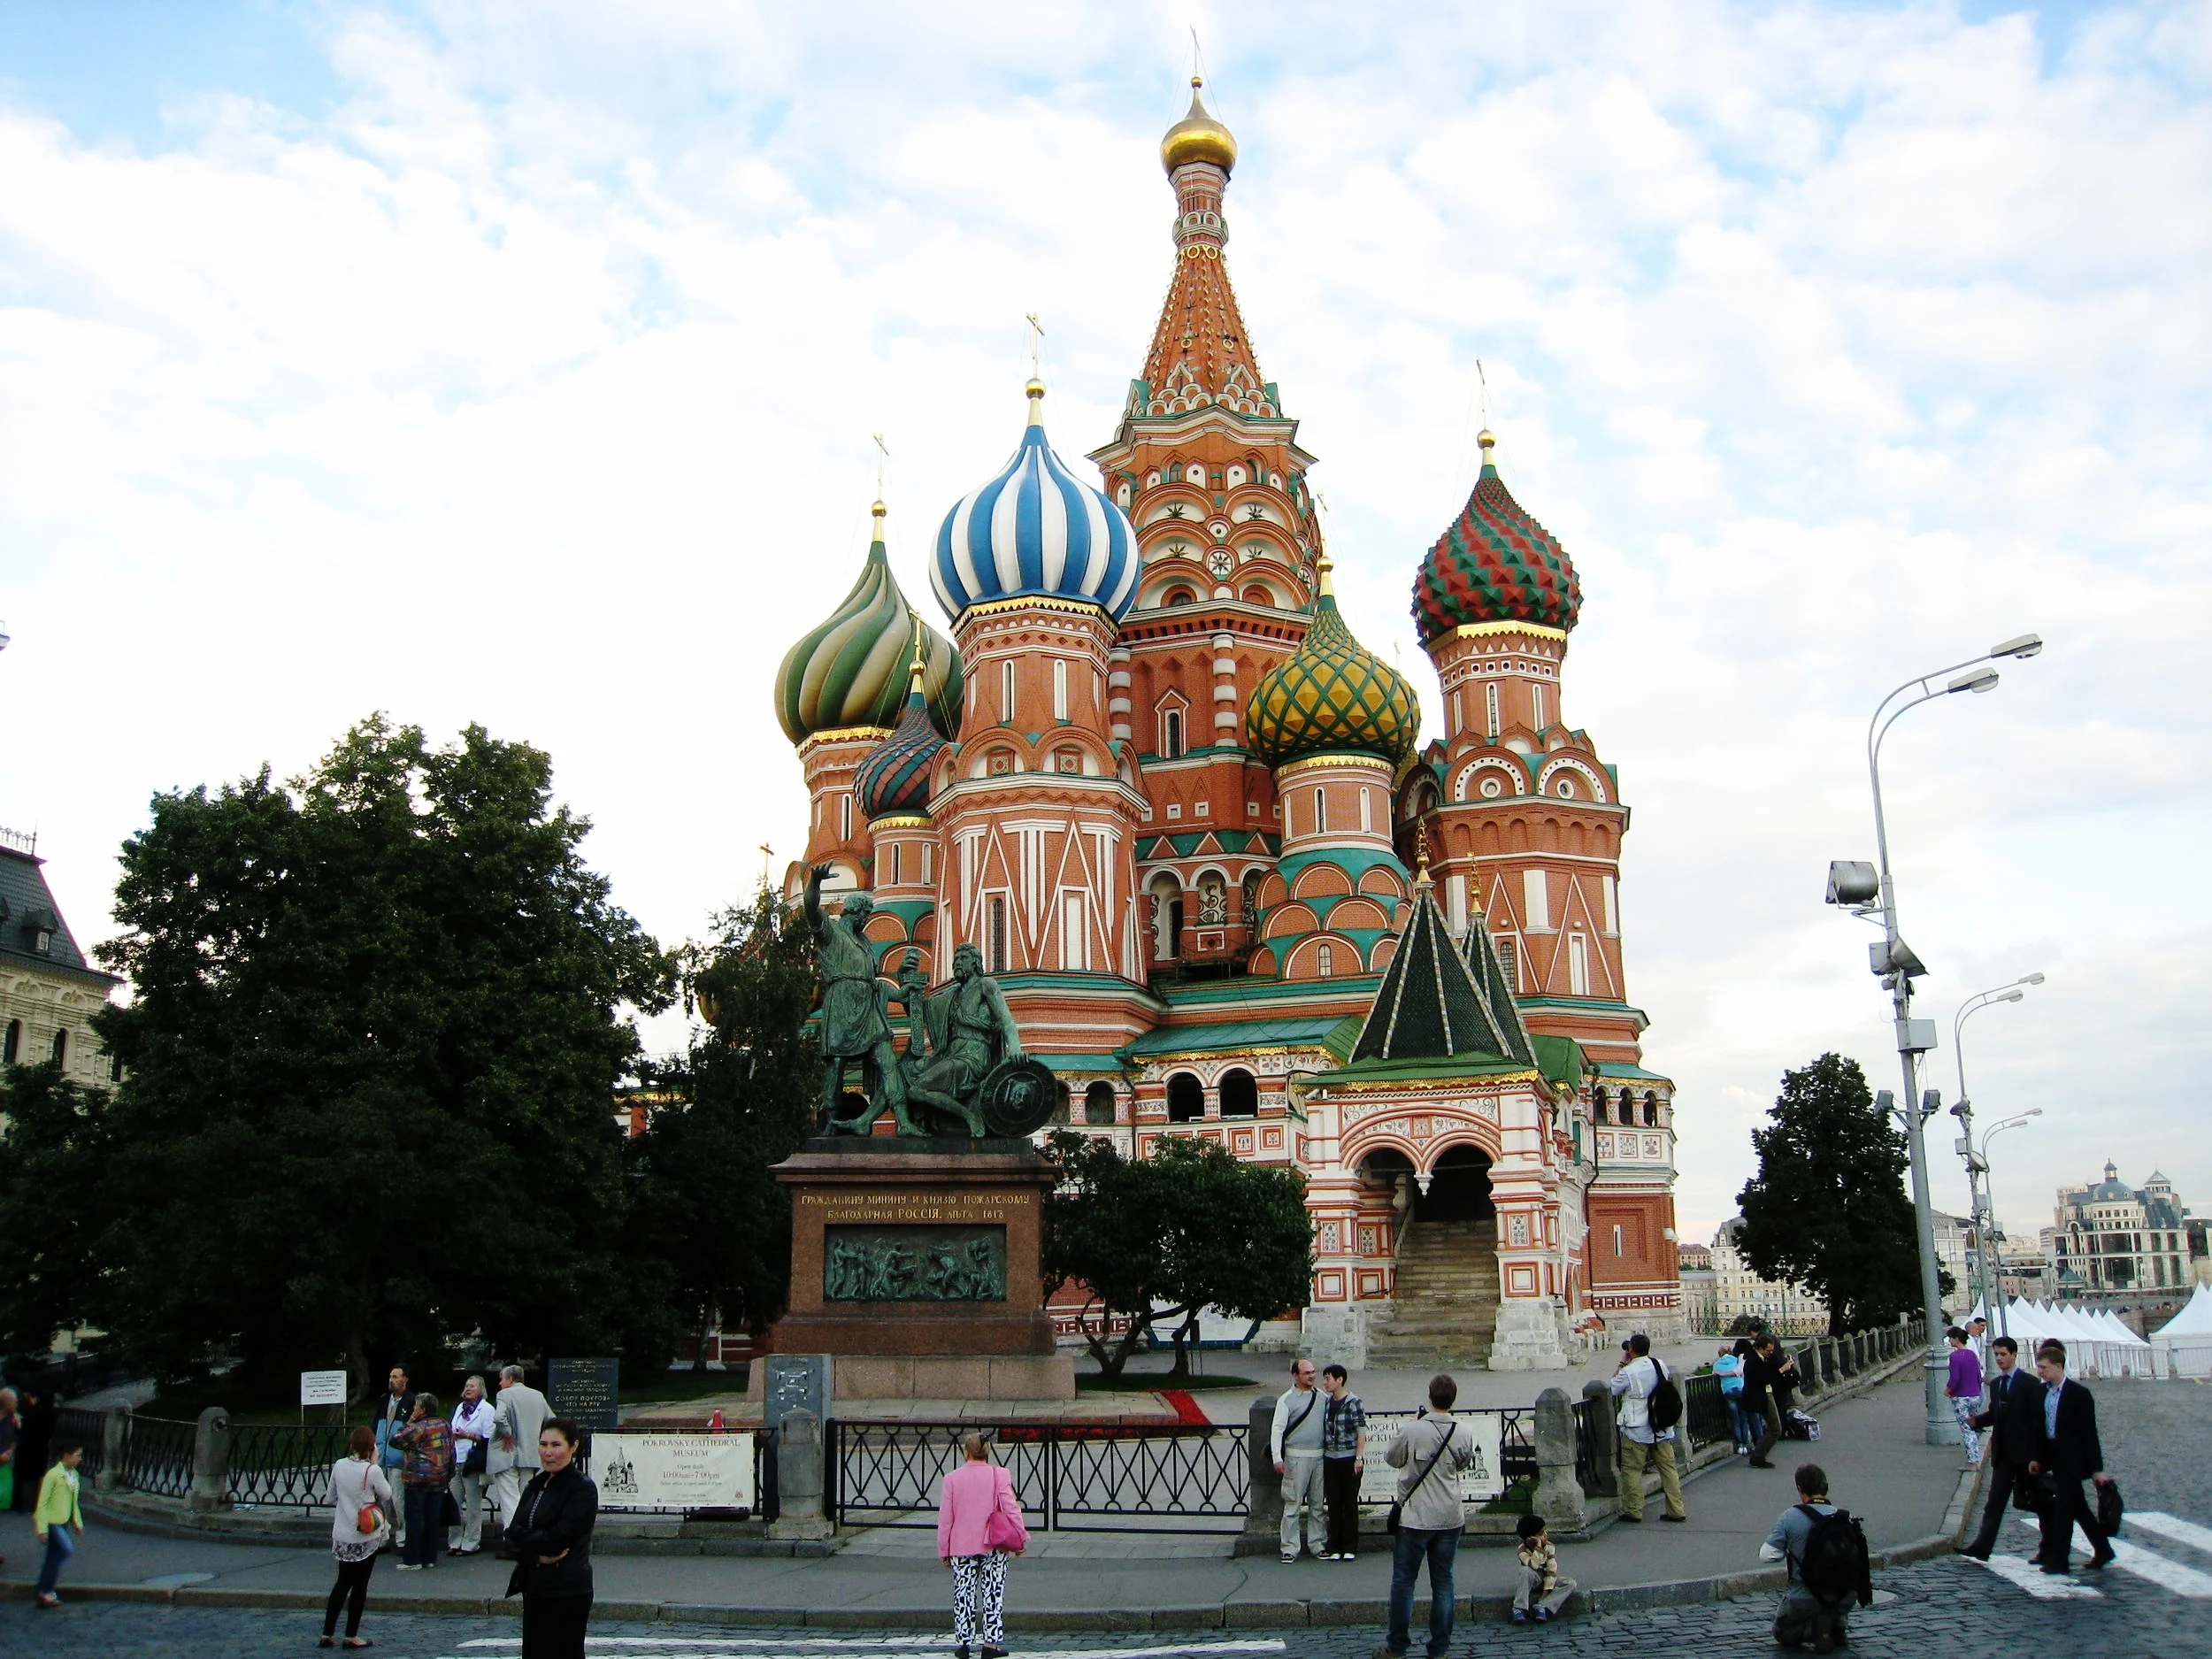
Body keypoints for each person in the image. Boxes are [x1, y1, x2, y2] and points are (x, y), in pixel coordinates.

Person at [1377, 1372, 1473, 1659]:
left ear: (1429, 1397)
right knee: (1443, 1582)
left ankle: (1396, 1647)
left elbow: (1392, 1459)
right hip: (1449, 1516)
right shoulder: (1463, 1431)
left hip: (1416, 1516)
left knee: (1404, 1582)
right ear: (1453, 1399)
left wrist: (1414, 1427)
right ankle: (1439, 1649)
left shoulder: (1413, 1429)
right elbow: (1464, 1464)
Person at [505, 1417, 598, 1659]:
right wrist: (535, 1555)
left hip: (567, 1588)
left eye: (556, 1445)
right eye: (543, 1444)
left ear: (573, 1446)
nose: (548, 1452)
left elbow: (559, 1539)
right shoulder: (535, 1485)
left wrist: (527, 1539)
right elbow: (511, 1535)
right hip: (535, 1585)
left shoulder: (582, 1488)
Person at [2025, 1340, 2114, 1573]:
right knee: (2079, 1509)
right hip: (2052, 1455)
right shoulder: (2041, 1392)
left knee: (2064, 1510)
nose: (2040, 1372)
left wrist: (2097, 1469)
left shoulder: (2079, 1395)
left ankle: (2059, 1560)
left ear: (2058, 1366)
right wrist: (2037, 1458)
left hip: (2072, 1459)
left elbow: (2089, 1433)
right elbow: (2039, 1428)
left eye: (2044, 1367)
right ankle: (2103, 1549)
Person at [1761, 1462, 1867, 1654]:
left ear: (1800, 1489)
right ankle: (1838, 1626)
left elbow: (1766, 1555)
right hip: (1845, 1597)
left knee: (1782, 1633)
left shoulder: (1790, 1516)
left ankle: (1816, 1629)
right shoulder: (1845, 1517)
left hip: (1803, 1597)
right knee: (1834, 1601)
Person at [936, 1432, 1024, 1659]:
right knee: (993, 1593)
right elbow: (1011, 1508)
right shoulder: (999, 1474)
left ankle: (964, 1644)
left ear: (966, 1451)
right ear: (988, 1451)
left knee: (963, 1594)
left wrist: (943, 1549)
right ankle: (990, 1645)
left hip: (961, 1545)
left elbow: (946, 1518)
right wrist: (1021, 1537)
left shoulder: (952, 1479)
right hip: (994, 1545)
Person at [1962, 1336, 2038, 1559]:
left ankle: (2047, 1547)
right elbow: (1997, 1414)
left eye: (2003, 1354)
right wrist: (1978, 1421)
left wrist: (2036, 1454)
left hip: (2025, 1455)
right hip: (2003, 1454)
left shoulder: (2029, 1383)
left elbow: (2035, 1421)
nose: (1999, 1359)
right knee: (1994, 1502)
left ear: (2014, 1355)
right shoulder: (1996, 1385)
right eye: (1996, 1355)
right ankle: (1982, 1547)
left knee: (2037, 1502)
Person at [323, 1425, 396, 1648]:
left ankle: (327, 1633)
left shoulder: (339, 1465)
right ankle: (351, 1634)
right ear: (371, 1447)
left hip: (343, 1532)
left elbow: (330, 1497)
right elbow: (386, 1494)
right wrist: (374, 1465)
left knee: (342, 1583)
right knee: (360, 1584)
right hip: (365, 1533)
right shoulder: (371, 1470)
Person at [1609, 1333, 1686, 1523]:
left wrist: (1622, 1364)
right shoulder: (1659, 1364)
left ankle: (1634, 1510)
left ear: (1631, 1350)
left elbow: (1612, 1388)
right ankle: (1676, 1510)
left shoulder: (1629, 1371)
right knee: (1668, 1469)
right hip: (1660, 1425)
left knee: (1632, 1470)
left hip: (1636, 1427)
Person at [1271, 1356, 1326, 1563]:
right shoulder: (1286, 1400)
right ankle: (1289, 1547)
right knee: (1292, 1504)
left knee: (1317, 1504)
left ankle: (1318, 1544)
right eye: (1307, 1373)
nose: (1312, 1376)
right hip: (1295, 1457)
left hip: (1319, 1456)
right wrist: (1278, 1457)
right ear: (1295, 1376)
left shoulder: (1321, 1397)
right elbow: (1277, 1430)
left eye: (1313, 1372)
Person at [390, 1389, 453, 1570]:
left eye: (416, 1406)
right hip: (439, 1478)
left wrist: (409, 1420)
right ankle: (430, 1557)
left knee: (415, 1518)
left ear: (422, 1410)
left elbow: (396, 1441)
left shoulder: (419, 1427)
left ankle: (412, 1559)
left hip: (417, 1479)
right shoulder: (444, 1424)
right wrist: (448, 1473)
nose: (413, 1409)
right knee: (433, 1519)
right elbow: (451, 1450)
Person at [492, 1363, 551, 1532]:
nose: (500, 1383)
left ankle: (513, 1540)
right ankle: (526, 1535)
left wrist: (507, 1433)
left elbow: (498, 1418)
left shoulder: (504, 1395)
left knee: (509, 1499)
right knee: (525, 1499)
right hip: (531, 1455)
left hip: (507, 1453)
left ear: (510, 1379)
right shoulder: (538, 1395)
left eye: (501, 1379)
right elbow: (551, 1419)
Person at [1319, 1363, 1369, 1561]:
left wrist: (1359, 1457)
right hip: (1330, 1457)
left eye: (1328, 1378)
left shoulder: (1354, 1402)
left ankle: (1350, 1545)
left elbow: (1361, 1430)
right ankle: (1335, 1545)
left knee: (1349, 1503)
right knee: (1333, 1502)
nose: (1325, 1383)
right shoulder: (1327, 1402)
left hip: (1349, 1458)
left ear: (1340, 1380)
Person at [32, 1438, 85, 1609]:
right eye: (77, 1455)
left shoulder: (74, 1475)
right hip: (52, 1522)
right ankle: (45, 1589)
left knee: (52, 1557)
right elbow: (42, 1503)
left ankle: (44, 1590)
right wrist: (41, 1528)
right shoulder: (53, 1475)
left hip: (62, 1523)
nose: (79, 1459)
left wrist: (78, 1523)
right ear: (66, 1456)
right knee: (65, 1550)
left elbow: (73, 1502)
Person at [449, 1374, 495, 1554]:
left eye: (472, 1386)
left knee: (473, 1504)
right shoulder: (460, 1408)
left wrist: (467, 1435)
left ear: (481, 1390)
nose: (468, 1389)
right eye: (467, 1385)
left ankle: (471, 1542)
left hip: (472, 1461)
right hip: (456, 1460)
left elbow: (488, 1438)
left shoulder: (487, 1410)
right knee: (454, 1503)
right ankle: (454, 1541)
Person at [373, 1365, 417, 1546]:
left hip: (398, 1459)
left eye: (396, 1377)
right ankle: (384, 1536)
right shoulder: (384, 1400)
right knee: (383, 1500)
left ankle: (402, 1538)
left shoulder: (411, 1400)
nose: (391, 1380)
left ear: (405, 1380)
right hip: (382, 1456)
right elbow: (375, 1425)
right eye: (390, 1376)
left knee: (399, 1500)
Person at [1511, 1511, 1575, 1624]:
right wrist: (1538, 1547)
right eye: (1541, 1533)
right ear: (1531, 1537)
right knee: (1524, 1571)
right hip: (1532, 1579)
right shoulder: (1522, 1550)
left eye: (1545, 1531)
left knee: (1570, 1583)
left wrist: (1545, 1594)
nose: (1546, 1534)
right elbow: (1534, 1565)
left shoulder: (1549, 1547)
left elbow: (1551, 1570)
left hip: (1547, 1580)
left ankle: (1543, 1606)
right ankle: (1519, 1608)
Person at [1944, 1327, 1985, 1468]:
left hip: (1961, 1396)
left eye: (1950, 1338)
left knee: (1966, 1428)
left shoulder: (1955, 1357)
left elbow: (1955, 1378)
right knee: (1973, 1424)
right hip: (1975, 1394)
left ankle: (1973, 1460)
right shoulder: (1972, 1355)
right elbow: (1979, 1375)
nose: (1949, 1341)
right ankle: (1975, 1452)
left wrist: (1948, 1389)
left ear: (1956, 1339)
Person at [1742, 1336, 1786, 1467]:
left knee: (1773, 1427)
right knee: (1775, 1428)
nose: (1770, 1353)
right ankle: (1758, 1456)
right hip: (1761, 1396)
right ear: (1760, 1348)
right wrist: (1782, 1370)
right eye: (1768, 1350)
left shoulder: (1762, 1358)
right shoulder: (1753, 1361)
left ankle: (1758, 1454)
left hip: (1764, 1394)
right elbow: (1764, 1378)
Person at [1714, 1344, 1749, 1455]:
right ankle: (1746, 1444)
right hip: (1741, 1389)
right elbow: (1741, 1372)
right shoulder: (1736, 1360)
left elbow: (1714, 1374)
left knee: (1735, 1419)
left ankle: (1739, 1445)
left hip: (1728, 1391)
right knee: (1744, 1419)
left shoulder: (1717, 1364)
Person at [0, 1386, 19, 1523]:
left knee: (5, 1497)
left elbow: (15, 1438)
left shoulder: (13, 1419)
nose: (17, 1405)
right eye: (14, 1403)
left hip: (5, 1463)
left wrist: (10, 1450)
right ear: (6, 1405)